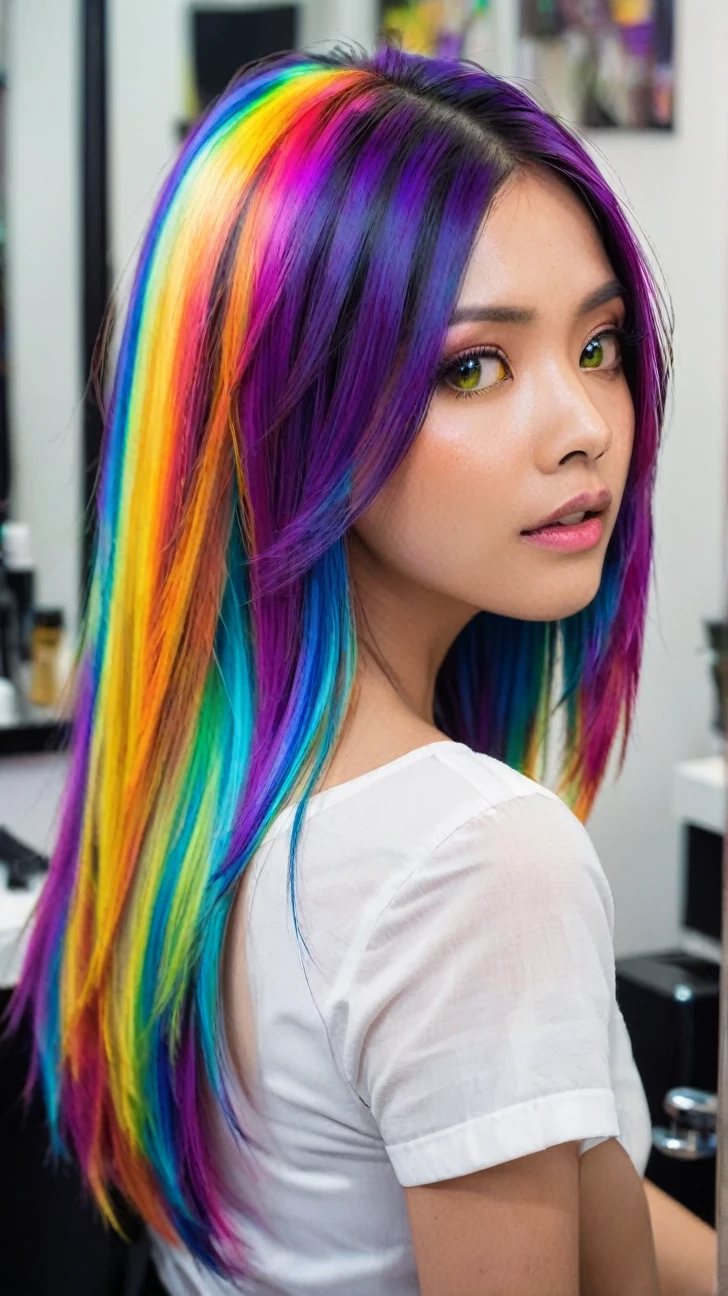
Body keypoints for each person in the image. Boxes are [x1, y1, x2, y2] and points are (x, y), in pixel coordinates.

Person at [7, 39, 717, 1296]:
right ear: (290, 412)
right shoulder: (474, 858)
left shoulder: (189, 790)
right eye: (472, 366)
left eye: (598, 344)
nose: (585, 426)